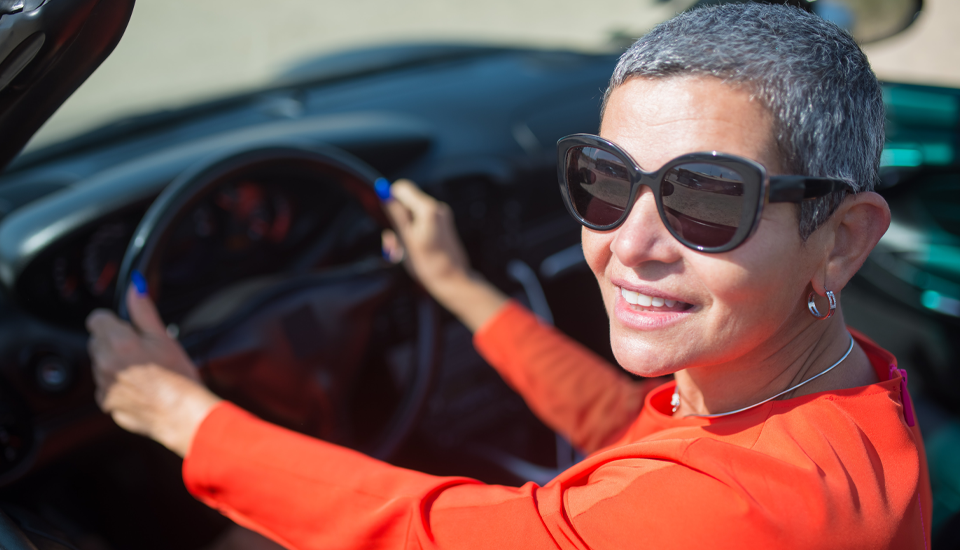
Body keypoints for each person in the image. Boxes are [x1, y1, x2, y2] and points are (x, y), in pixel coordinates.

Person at [86, 3, 931, 549]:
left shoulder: (749, 510)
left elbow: (427, 537)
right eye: (604, 180)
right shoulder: (825, 377)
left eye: (706, 199)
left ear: (844, 238)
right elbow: (628, 432)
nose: (628, 246)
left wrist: (182, 417)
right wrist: (458, 287)